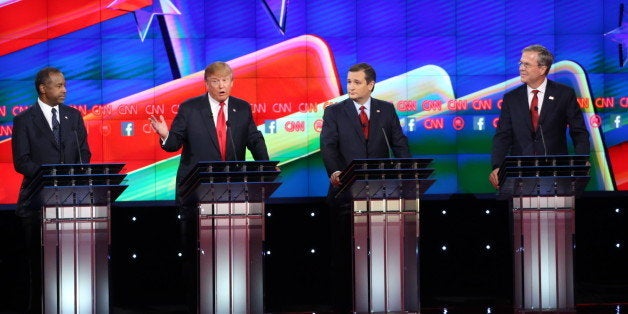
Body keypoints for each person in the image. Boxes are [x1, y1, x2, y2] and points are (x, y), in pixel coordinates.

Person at [148, 61, 269, 311]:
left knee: (233, 252)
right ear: (207, 83)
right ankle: (197, 303)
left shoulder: (242, 109)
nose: (221, 85)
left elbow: (254, 140)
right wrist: (164, 134)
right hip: (197, 193)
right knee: (196, 253)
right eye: (216, 81)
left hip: (233, 194)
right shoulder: (191, 108)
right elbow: (174, 144)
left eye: (226, 80)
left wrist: (265, 166)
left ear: (232, 83)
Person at [319, 62, 411, 312]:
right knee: (345, 257)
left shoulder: (386, 110)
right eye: (349, 81)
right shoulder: (334, 112)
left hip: (381, 195)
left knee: (380, 254)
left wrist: (407, 175)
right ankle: (345, 305)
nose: (351, 86)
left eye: (357, 82)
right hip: (345, 195)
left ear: (371, 85)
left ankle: (382, 302)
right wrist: (336, 172)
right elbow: (328, 146)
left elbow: (399, 145)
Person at [12, 66, 91, 313]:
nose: (64, 89)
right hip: (36, 203)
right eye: (58, 85)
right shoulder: (24, 119)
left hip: (70, 202)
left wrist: (73, 177)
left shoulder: (73, 116)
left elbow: (84, 153)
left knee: (69, 265)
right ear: (43, 88)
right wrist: (50, 179)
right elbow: (22, 161)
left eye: (65, 84)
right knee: (39, 266)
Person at [489, 44, 590, 189]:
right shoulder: (511, 98)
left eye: (527, 64)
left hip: (556, 173)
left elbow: (579, 132)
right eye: (521, 63)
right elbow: (502, 136)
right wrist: (497, 166)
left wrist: (582, 160)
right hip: (520, 175)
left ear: (542, 69)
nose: (521, 68)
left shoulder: (564, 94)